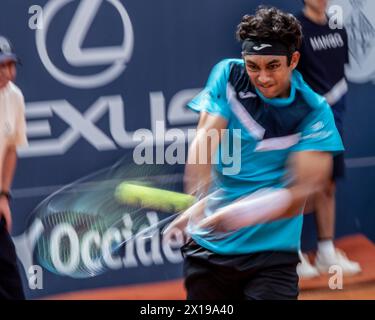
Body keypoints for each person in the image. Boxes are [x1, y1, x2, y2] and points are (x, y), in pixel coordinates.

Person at [166, 6, 344, 300]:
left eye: (273, 65)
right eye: (253, 66)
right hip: (209, 253)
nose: (262, 77)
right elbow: (204, 142)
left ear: (294, 60)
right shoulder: (229, 74)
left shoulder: (314, 111)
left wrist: (240, 214)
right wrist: (196, 202)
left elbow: (305, 191)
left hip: (272, 257)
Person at [296, 0, 361, 278]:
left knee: (327, 183)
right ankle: (291, 255)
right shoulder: (296, 32)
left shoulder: (340, 31)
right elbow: (292, 78)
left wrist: (333, 108)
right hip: (306, 121)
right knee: (300, 186)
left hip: (334, 120)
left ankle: (325, 252)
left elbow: (339, 77)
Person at [0, 35, 27, 299]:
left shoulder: (14, 97)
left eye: (11, 65)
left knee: (10, 283)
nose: (9, 73)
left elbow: (10, 148)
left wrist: (4, 196)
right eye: (2, 66)